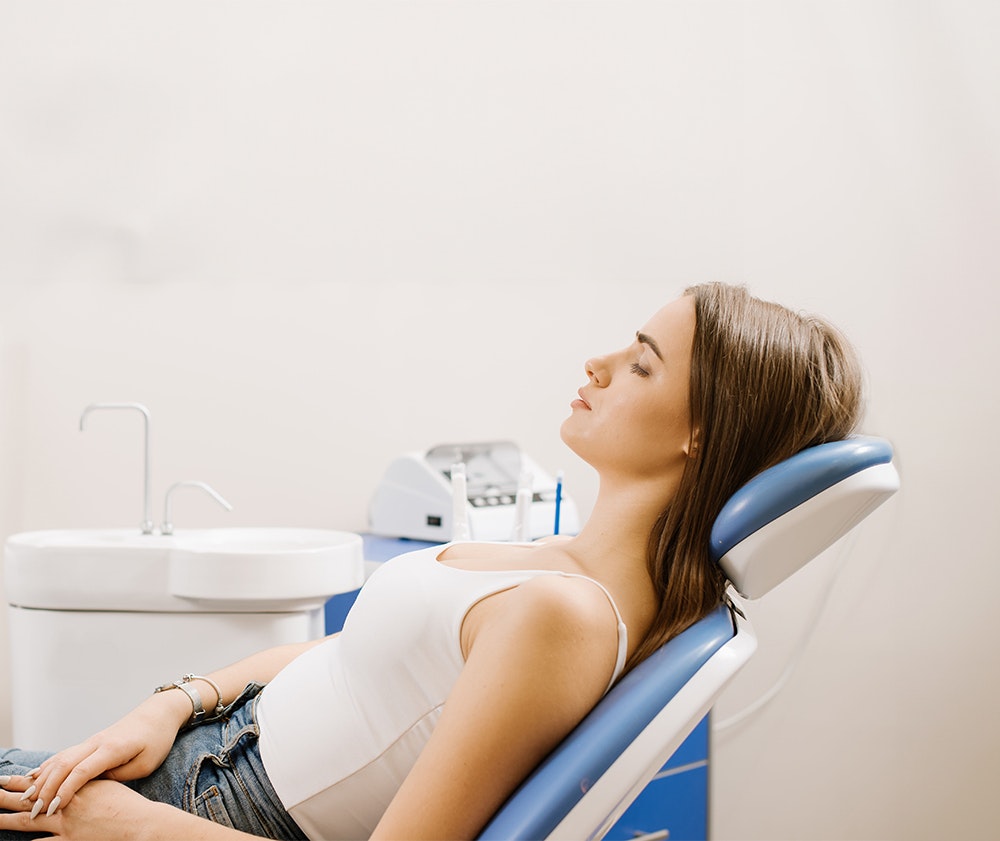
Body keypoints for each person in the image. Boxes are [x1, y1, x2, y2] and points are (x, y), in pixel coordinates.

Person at [0, 282, 864, 840]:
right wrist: (175, 701)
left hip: (197, 811)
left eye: (641, 361)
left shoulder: (562, 615)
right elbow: (343, 658)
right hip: (190, 755)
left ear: (698, 431)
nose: (597, 363)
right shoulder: (557, 562)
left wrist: (122, 823)